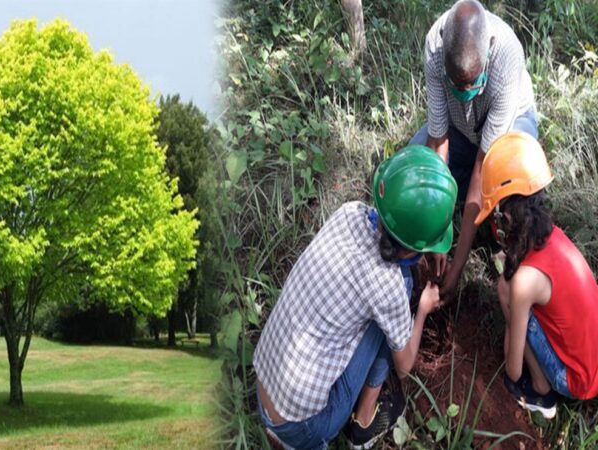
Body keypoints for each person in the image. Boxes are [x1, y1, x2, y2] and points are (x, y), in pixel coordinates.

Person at [253, 146, 457, 449]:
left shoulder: (348, 213)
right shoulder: (388, 287)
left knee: (382, 304)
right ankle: (363, 424)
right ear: (415, 249)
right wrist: (423, 309)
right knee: (395, 310)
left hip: (263, 387)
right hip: (302, 427)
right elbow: (404, 367)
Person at [409, 0, 538, 299]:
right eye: (457, 85)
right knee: (415, 165)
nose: (465, 95)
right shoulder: (435, 46)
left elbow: (485, 162)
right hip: (458, 129)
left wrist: (457, 268)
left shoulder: (507, 54)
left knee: (513, 185)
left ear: (489, 49)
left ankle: (497, 235)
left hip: (509, 128)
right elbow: (438, 141)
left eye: (472, 85)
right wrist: (438, 238)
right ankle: (469, 201)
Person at [475, 131, 598, 418]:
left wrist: (511, 312)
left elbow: (513, 369)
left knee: (506, 290)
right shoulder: (555, 237)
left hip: (576, 381)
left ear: (505, 219)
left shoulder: (523, 282)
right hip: (593, 361)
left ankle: (542, 391)